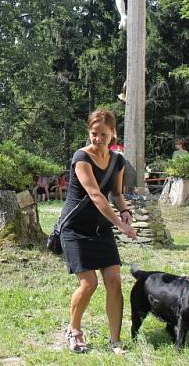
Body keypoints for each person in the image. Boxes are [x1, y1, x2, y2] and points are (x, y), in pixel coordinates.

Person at [60, 109, 137, 354]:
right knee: (89, 283)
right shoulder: (81, 157)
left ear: (113, 133)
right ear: (89, 132)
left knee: (114, 281)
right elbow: (95, 195)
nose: (98, 139)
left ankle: (115, 340)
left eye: (103, 134)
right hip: (75, 229)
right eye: (94, 133)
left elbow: (115, 192)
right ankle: (73, 330)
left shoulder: (118, 160)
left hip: (100, 228)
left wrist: (125, 212)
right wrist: (119, 224)